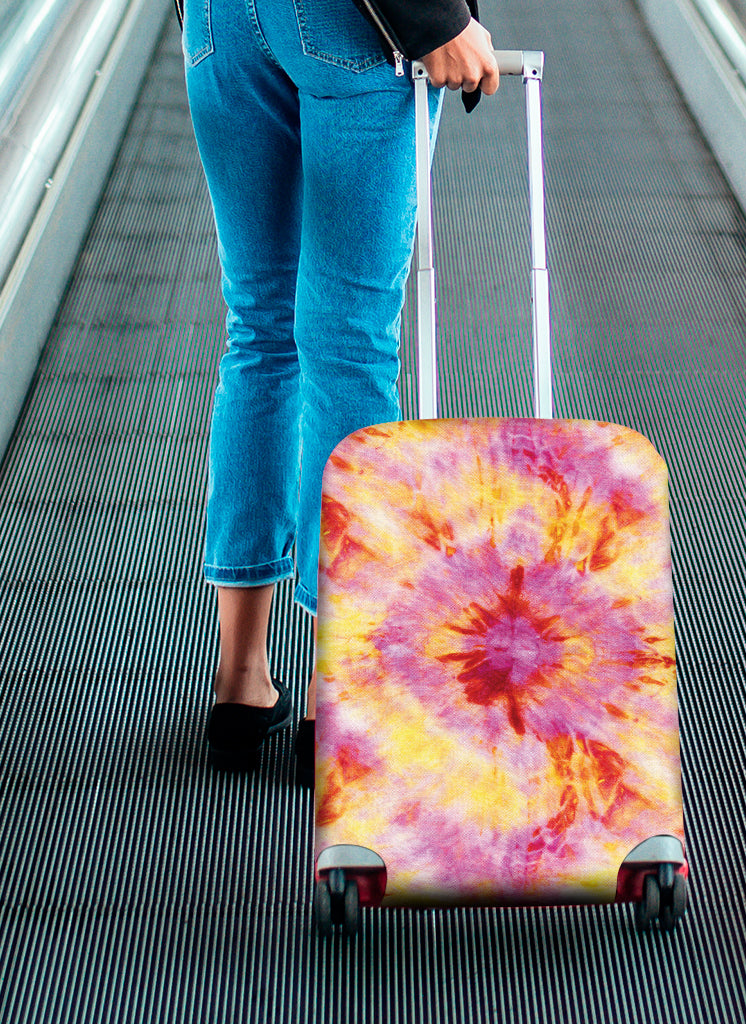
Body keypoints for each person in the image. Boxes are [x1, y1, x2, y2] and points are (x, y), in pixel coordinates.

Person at [182, 0, 499, 781]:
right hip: (352, 28)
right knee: (348, 347)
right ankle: (340, 692)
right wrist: (434, 18)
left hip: (221, 24)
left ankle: (241, 680)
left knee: (258, 332)